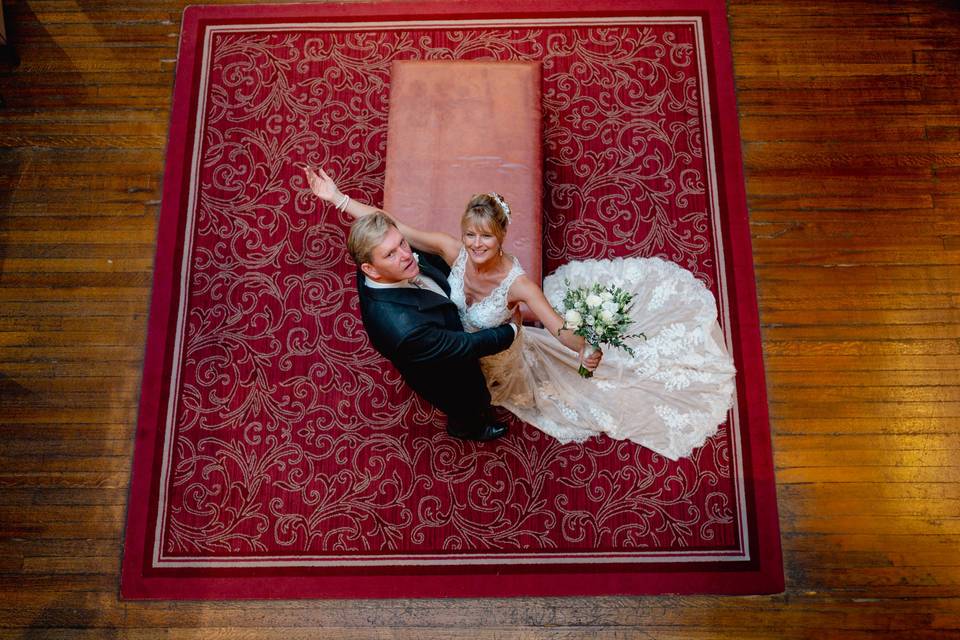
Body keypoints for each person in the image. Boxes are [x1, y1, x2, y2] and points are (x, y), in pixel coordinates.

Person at [306, 167, 735, 460]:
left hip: (503, 350)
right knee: (467, 392)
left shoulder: (518, 283)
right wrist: (339, 200)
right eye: (470, 235)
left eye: (486, 238)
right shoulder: (447, 252)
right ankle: (470, 419)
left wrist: (585, 348)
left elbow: (558, 326)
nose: (475, 246)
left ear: (501, 236)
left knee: (532, 381)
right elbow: (392, 223)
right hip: (461, 345)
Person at [343, 210, 517, 442]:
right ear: (370, 269)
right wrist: (512, 330)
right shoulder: (404, 330)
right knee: (468, 402)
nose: (406, 255)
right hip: (443, 372)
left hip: (438, 325)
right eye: (391, 254)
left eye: (402, 243)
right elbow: (464, 345)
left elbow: (429, 259)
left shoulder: (381, 263)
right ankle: (467, 429)